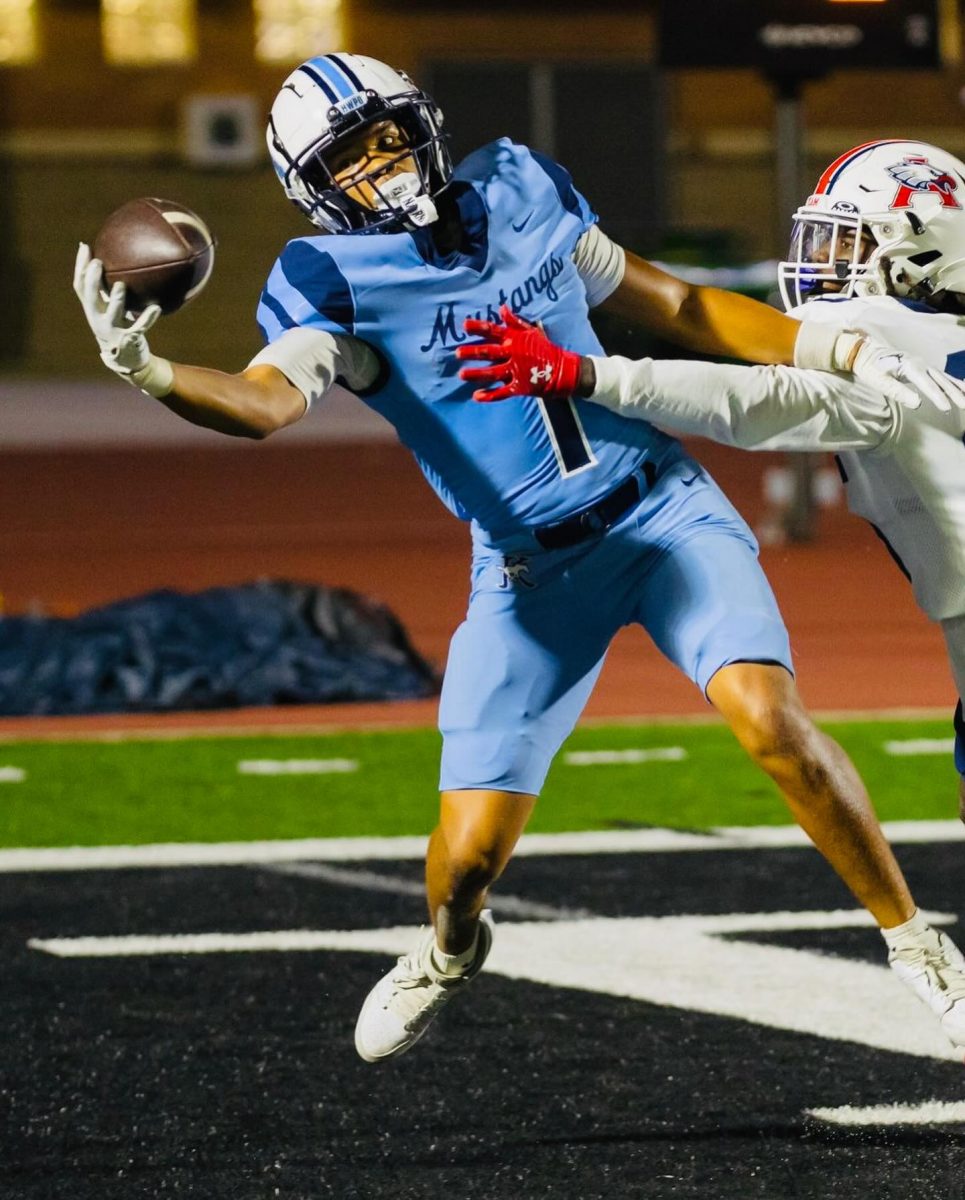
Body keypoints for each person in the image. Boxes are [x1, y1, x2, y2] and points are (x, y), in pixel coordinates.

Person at [73, 58, 962, 1063]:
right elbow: (265, 403)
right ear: (311, 184)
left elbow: (676, 305)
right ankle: (450, 949)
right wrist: (148, 373)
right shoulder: (329, 279)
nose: (386, 160)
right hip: (530, 577)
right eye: (353, 154)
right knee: (464, 865)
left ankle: (915, 947)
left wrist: (831, 351)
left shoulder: (519, 189)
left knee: (769, 719)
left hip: (665, 513)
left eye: (390, 131)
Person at [458, 139, 965, 1054]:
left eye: (850, 245)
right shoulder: (931, 336)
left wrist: (584, 372)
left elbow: (748, 402)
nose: (825, 267)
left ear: (924, 246)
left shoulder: (886, 348)